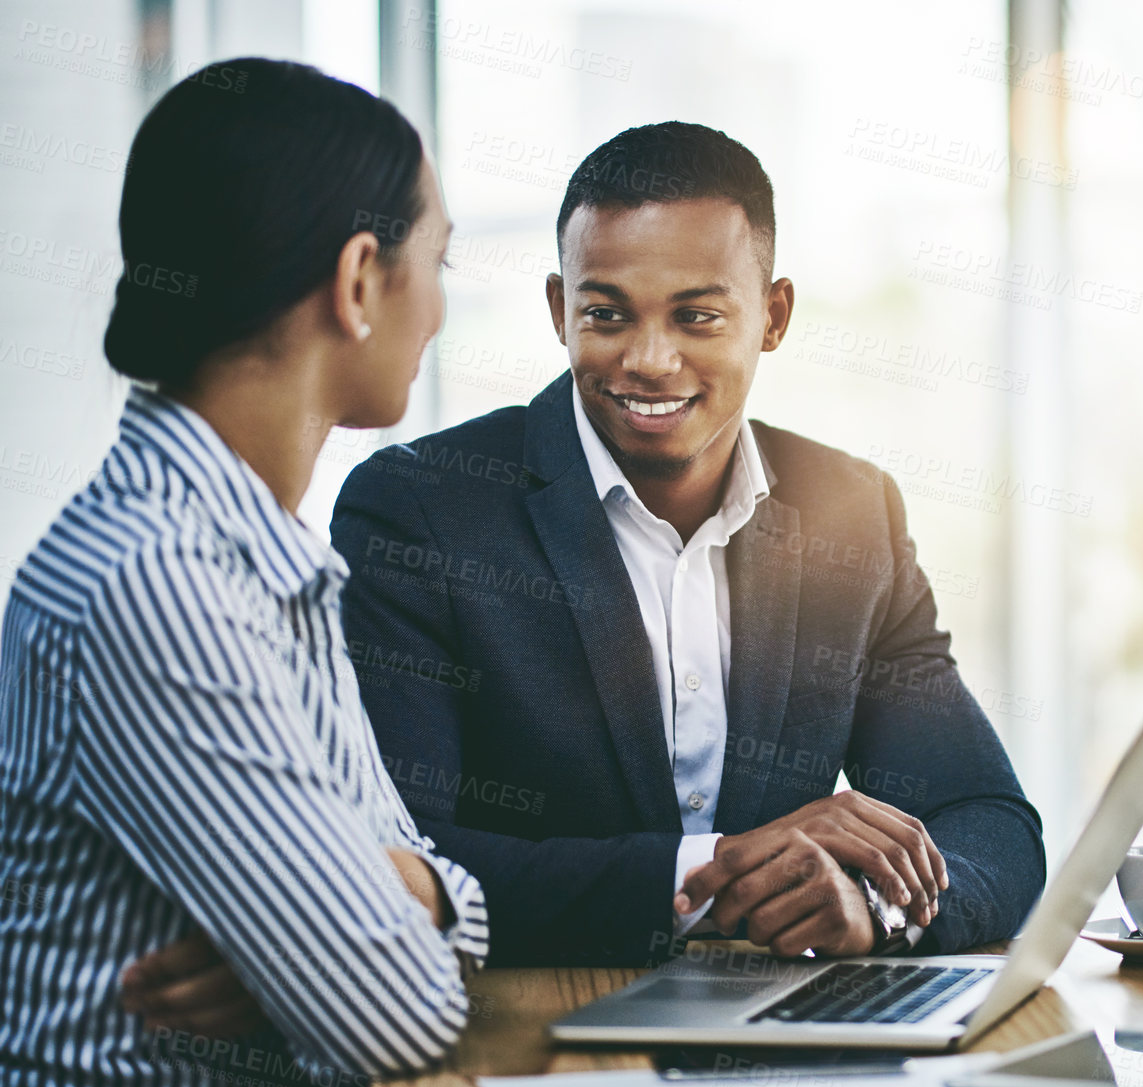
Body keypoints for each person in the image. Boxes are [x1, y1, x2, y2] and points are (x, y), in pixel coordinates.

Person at [331, 122, 1045, 966]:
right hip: (527, 1029)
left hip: (784, 1036)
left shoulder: (851, 514)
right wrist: (722, 870)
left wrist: (871, 909)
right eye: (606, 314)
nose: (650, 360)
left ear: (773, 316)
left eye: (697, 316)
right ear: (560, 311)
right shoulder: (420, 510)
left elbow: (990, 821)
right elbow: (402, 861)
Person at [0, 59, 488, 1087]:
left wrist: (406, 902)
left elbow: (433, 893)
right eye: (436, 263)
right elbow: (398, 1013)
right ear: (359, 281)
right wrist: (348, 936)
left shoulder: (248, 555)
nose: (439, 309)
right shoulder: (164, 584)